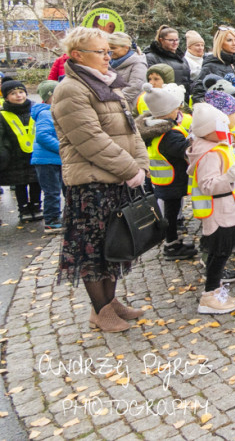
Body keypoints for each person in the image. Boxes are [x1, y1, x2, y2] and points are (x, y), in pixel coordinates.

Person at [50, 27, 149, 332]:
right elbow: (90, 139)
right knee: (92, 249)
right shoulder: (71, 89)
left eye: (109, 51)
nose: (109, 57)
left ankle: (110, 301)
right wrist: (130, 169)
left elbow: (131, 130)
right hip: (91, 185)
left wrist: (141, 165)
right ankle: (100, 309)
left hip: (116, 179)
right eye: (101, 52)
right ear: (78, 55)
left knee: (114, 244)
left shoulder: (108, 84)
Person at [186, 102, 235, 313]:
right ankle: (210, 295)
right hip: (221, 211)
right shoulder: (209, 154)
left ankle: (214, 290)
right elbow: (208, 185)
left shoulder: (215, 146)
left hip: (227, 209)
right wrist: (228, 177)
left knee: (223, 251)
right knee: (220, 252)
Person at [138, 83, 196, 260]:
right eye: (175, 107)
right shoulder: (169, 134)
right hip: (172, 179)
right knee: (171, 214)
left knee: (171, 212)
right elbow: (185, 151)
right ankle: (171, 244)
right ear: (168, 110)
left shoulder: (153, 129)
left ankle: (173, 241)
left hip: (163, 178)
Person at [0, 78, 41, 221]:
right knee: (19, 183)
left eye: (21, 92)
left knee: (36, 181)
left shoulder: (34, 109)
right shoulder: (3, 115)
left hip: (35, 153)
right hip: (14, 156)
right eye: (13, 93)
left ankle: (36, 205)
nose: (19, 96)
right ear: (6, 97)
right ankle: (23, 208)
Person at [193, 26, 235, 104]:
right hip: (221, 114)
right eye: (229, 40)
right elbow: (199, 94)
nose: (234, 44)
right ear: (220, 42)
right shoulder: (210, 66)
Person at [30, 81, 62, 232]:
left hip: (56, 158)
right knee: (52, 191)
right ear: (49, 97)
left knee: (61, 190)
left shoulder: (56, 111)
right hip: (46, 160)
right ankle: (51, 219)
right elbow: (42, 136)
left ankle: (58, 216)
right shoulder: (45, 113)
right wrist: (62, 148)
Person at [144, 25, 192, 93]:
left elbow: (188, 81)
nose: (175, 43)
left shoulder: (182, 59)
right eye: (171, 40)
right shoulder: (152, 57)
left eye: (176, 40)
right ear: (161, 40)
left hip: (182, 99)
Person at [108, 32, 148, 107]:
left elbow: (134, 88)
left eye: (113, 48)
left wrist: (115, 103)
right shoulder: (108, 62)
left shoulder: (138, 63)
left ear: (126, 47)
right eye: (108, 48)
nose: (110, 51)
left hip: (129, 107)